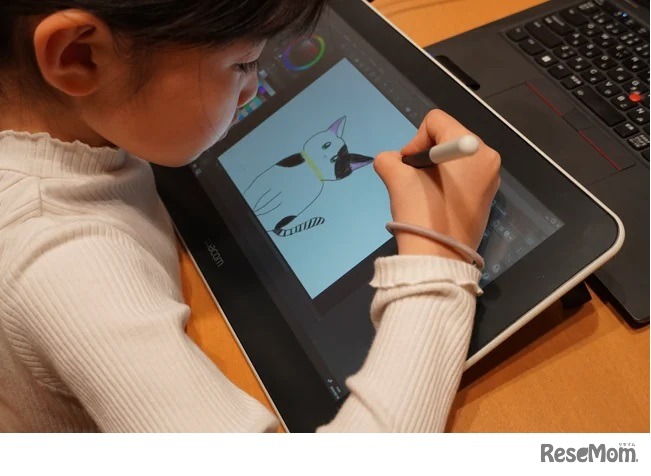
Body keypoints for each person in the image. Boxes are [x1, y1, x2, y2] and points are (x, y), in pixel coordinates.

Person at [0, 0, 500, 432]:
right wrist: (439, 258)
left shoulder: (65, 121)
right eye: (242, 64)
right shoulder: (65, 264)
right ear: (79, 56)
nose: (253, 87)